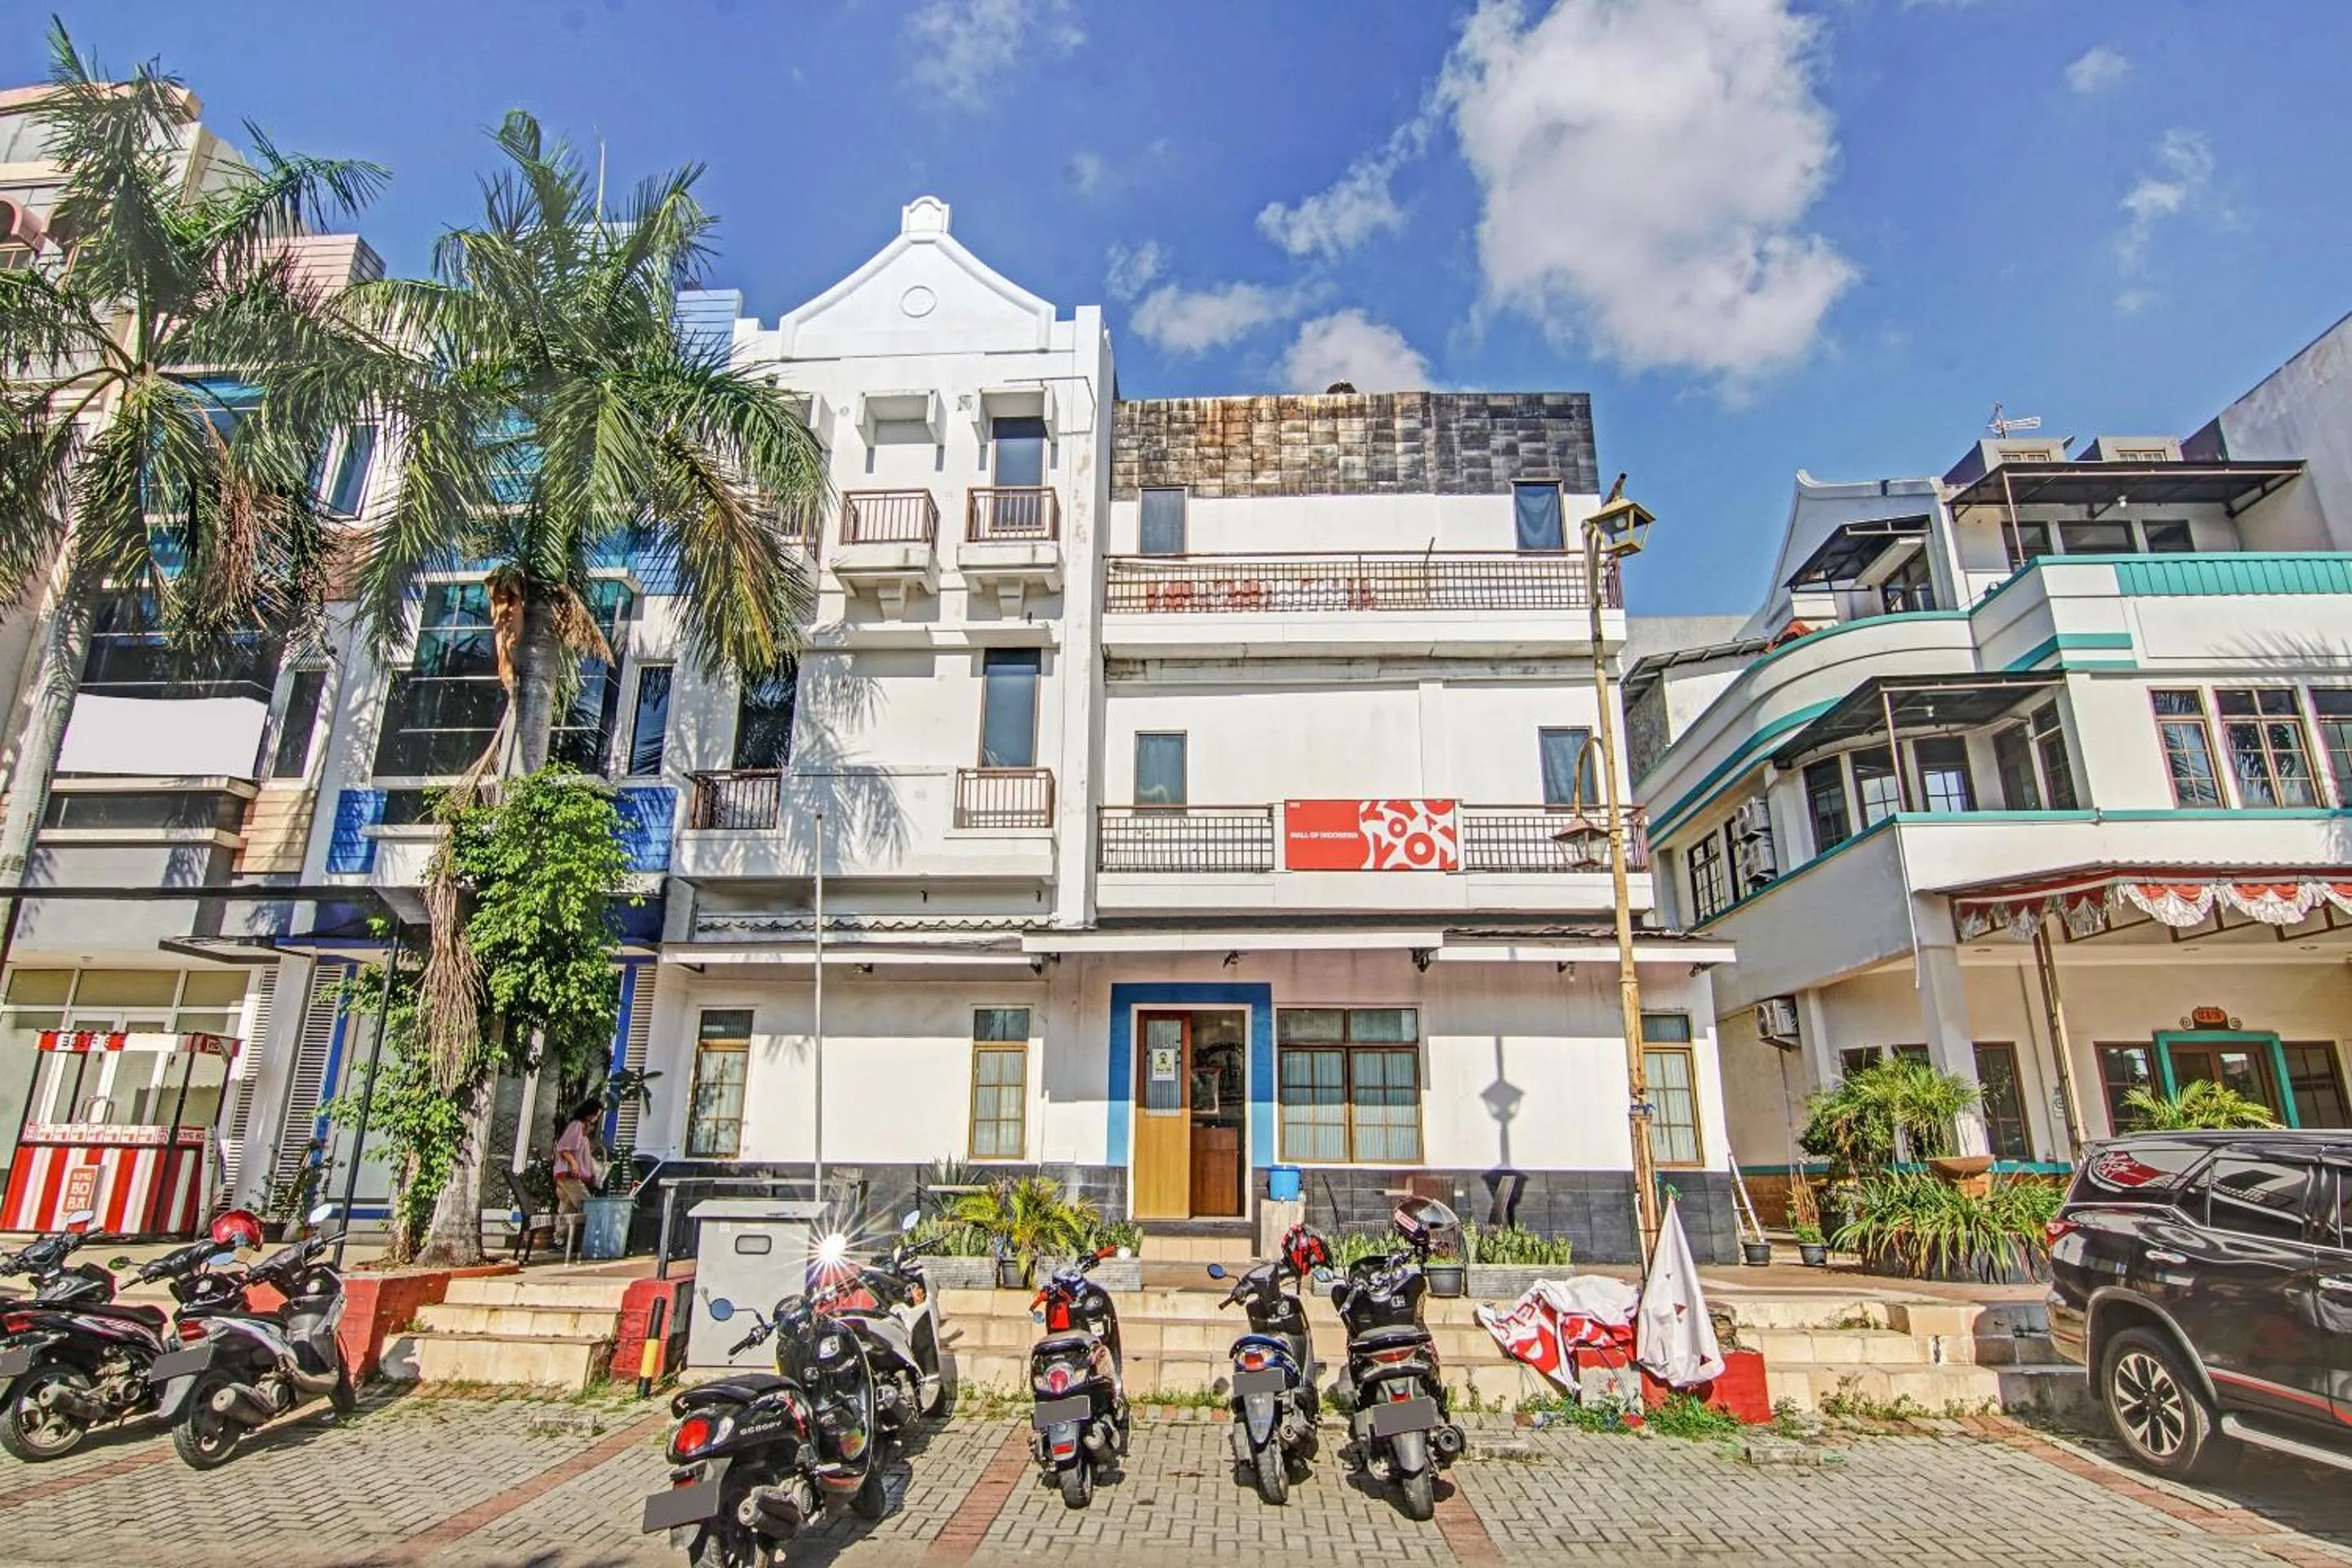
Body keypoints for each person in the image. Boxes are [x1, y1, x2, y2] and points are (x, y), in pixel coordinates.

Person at [554, 1101, 605, 1220]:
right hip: (570, 1175)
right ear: (588, 1113)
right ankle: (595, 1230)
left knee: (567, 1212)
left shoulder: (581, 1128)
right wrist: (573, 1162)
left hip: (565, 1176)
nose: (595, 1119)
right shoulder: (577, 1125)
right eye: (595, 1115)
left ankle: (561, 1233)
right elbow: (563, 1148)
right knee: (588, 1207)